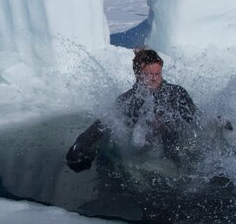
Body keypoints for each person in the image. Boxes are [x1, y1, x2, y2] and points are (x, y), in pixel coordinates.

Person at [66, 49, 198, 171]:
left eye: (158, 74)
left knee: (169, 124)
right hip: (145, 154)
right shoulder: (127, 100)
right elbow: (103, 123)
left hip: (178, 150)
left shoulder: (177, 92)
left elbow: (196, 120)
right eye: (149, 74)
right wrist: (79, 146)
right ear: (138, 74)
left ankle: (173, 162)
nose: (154, 78)